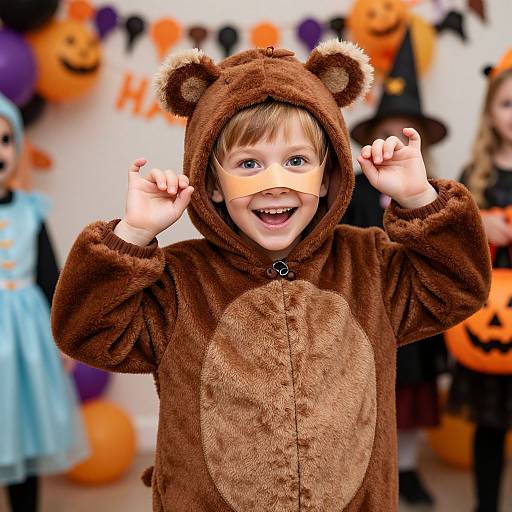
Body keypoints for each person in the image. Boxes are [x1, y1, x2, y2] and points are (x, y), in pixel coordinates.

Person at [52, 41, 490, 511]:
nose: (275, 182)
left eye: (297, 161)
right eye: (248, 164)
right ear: (213, 185)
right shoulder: (180, 282)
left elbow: (459, 286)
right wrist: (133, 234)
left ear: (327, 177)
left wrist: (420, 199)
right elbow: (86, 330)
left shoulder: (369, 267)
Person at [343, 31, 448, 507]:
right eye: (388, 133)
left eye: (406, 134)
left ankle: (406, 468)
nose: (395, 144)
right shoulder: (351, 194)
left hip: (415, 309)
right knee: (367, 392)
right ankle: (364, 466)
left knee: (412, 390)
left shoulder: (437, 196)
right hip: (366, 307)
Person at [0, 93, 88, 512]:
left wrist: (62, 338)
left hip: (28, 337)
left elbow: (51, 278)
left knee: (25, 426)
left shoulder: (32, 211)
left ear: (17, 148)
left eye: (5, 140)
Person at [448, 49, 512, 512]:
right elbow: (453, 249)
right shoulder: (476, 177)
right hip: (490, 312)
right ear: (491, 111)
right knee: (490, 429)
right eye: (508, 103)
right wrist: (480, 226)